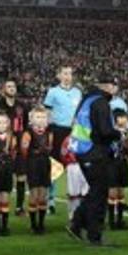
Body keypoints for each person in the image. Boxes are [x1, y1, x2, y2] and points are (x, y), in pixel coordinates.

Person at [66, 76, 119, 247]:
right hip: (95, 152)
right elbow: (105, 131)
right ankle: (94, 234)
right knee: (99, 194)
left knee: (95, 191)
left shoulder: (86, 100)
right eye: (114, 85)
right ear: (107, 86)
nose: (115, 89)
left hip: (82, 152)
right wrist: (119, 133)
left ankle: (77, 223)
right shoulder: (101, 103)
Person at [43, 66, 81, 211]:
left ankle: (75, 199)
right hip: (58, 131)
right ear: (58, 75)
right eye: (65, 73)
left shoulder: (77, 92)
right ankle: (50, 200)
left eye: (70, 73)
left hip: (74, 133)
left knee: (73, 167)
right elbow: (47, 111)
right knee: (54, 166)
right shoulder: (53, 92)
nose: (67, 76)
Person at [0, 79, 29, 215]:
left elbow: (27, 124)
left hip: (20, 147)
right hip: (4, 148)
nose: (12, 88)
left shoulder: (22, 106)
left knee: (21, 176)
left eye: (14, 86)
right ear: (3, 89)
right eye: (9, 86)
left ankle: (19, 207)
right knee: (5, 177)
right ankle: (0, 205)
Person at [19, 108, 54, 234]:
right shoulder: (28, 133)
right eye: (38, 117)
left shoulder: (49, 133)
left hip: (45, 164)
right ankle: (33, 224)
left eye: (43, 117)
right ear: (31, 119)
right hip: (33, 164)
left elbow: (50, 148)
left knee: (43, 194)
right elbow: (24, 151)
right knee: (34, 193)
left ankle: (41, 223)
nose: (41, 119)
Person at [107, 109, 128, 230]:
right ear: (115, 119)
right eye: (121, 117)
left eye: (125, 117)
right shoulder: (110, 131)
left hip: (123, 162)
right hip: (112, 163)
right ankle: (112, 220)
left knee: (121, 191)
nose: (124, 120)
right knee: (112, 191)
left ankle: (120, 219)